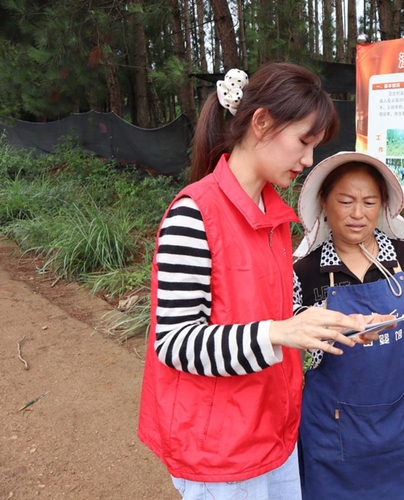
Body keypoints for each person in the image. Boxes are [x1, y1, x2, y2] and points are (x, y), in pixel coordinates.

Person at [138, 63, 378, 500]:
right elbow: (174, 343)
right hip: (218, 447)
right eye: (304, 142)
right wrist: (282, 331)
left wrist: (323, 324)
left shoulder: (273, 218)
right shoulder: (194, 215)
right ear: (262, 122)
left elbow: (265, 319)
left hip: (271, 429)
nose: (308, 161)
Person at [292, 151, 404, 499]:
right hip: (334, 425)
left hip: (403, 419)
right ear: (323, 202)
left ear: (383, 206)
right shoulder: (305, 271)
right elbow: (293, 336)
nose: (358, 214)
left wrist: (402, 368)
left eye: (369, 202)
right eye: (345, 201)